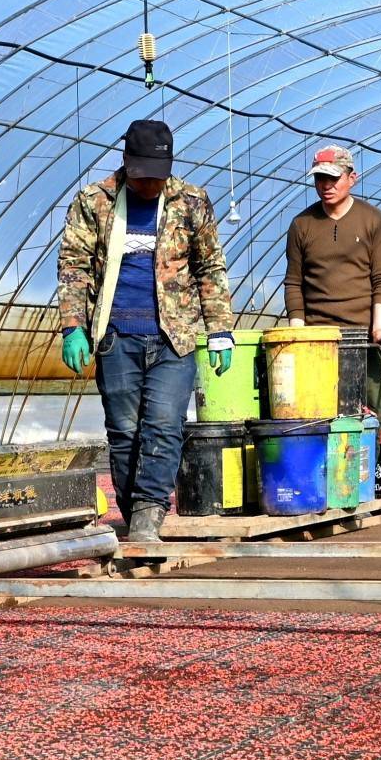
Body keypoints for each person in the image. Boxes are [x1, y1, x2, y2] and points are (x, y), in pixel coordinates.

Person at [57, 119, 237, 540]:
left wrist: (220, 330)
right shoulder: (94, 201)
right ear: (126, 163)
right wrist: (73, 327)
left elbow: (210, 267)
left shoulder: (191, 202)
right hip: (116, 335)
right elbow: (74, 267)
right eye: (143, 177)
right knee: (124, 431)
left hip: (173, 336)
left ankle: (149, 511)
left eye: (158, 176)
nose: (150, 185)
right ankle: (133, 510)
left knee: (163, 424)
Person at [283, 145, 381, 409]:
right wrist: (297, 332)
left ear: (352, 178)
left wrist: (379, 330)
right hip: (317, 339)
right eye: (319, 178)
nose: (326, 185)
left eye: (333, 178)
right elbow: (294, 282)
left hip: (363, 338)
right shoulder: (302, 225)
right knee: (316, 416)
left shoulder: (374, 221)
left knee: (368, 419)